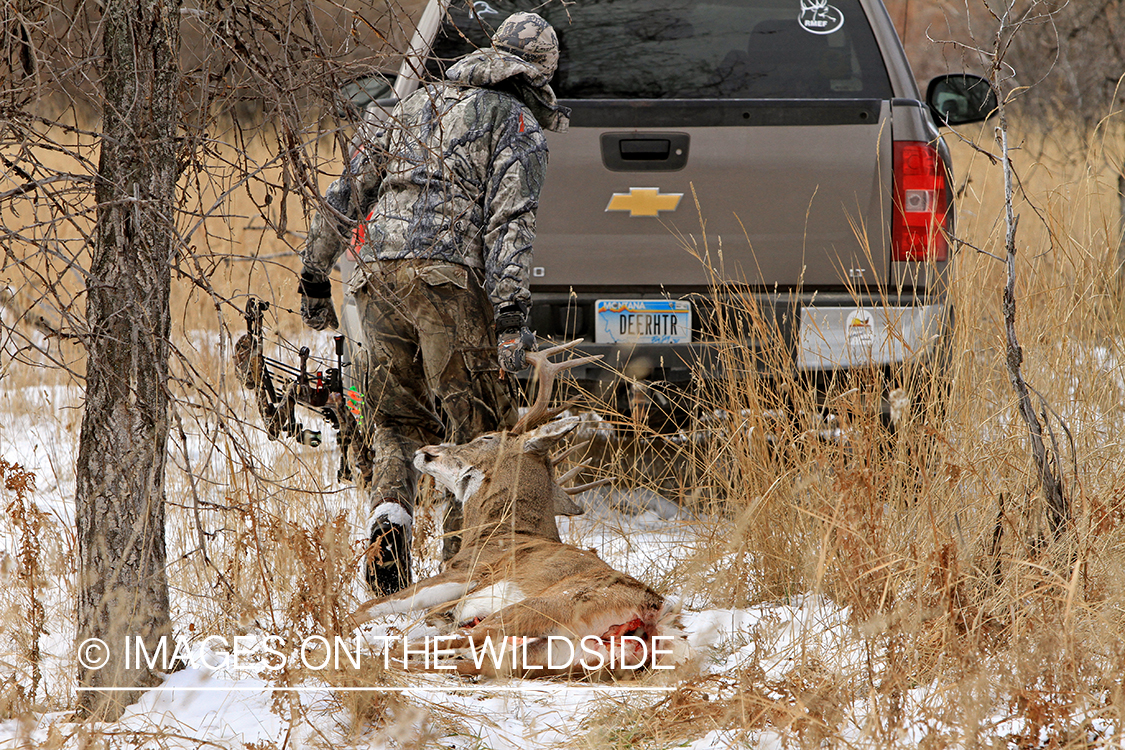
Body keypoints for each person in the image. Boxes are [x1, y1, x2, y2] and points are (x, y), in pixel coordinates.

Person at [297, 12, 569, 595]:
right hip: (448, 283)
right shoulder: (517, 123)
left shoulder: (410, 105)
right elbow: (509, 225)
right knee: (475, 436)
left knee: (394, 421)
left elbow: (347, 192)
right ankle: (460, 579)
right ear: (541, 72)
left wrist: (315, 274)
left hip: (375, 280)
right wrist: (513, 319)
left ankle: (388, 524)